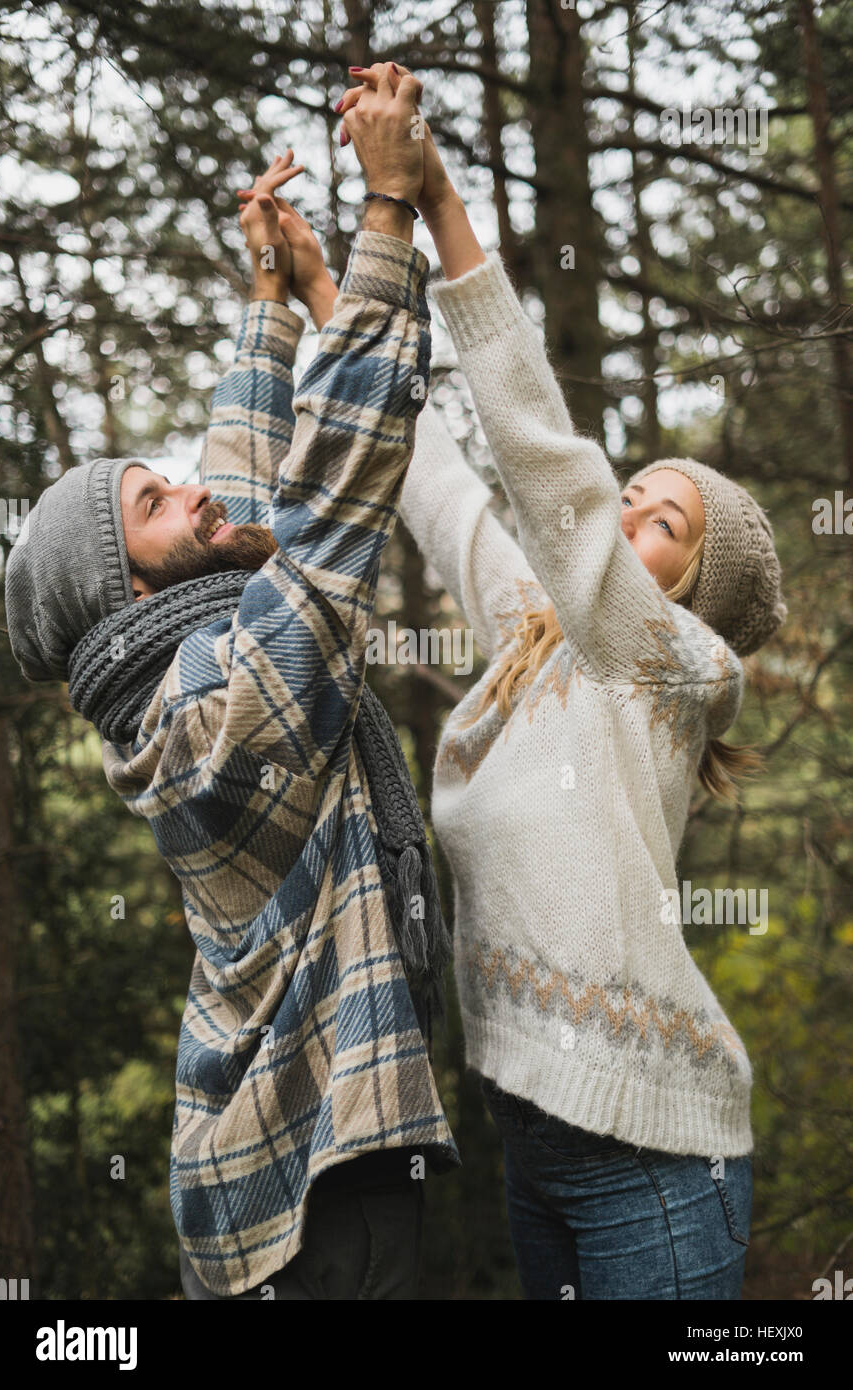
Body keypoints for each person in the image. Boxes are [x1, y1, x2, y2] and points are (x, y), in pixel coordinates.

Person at [331, 62, 787, 1300]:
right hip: (530, 1130)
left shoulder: (683, 672)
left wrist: (441, 210)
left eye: (662, 523)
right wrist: (333, 290)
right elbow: (443, 490)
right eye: (637, 488)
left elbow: (551, 478)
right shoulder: (542, 643)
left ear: (696, 593)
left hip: (655, 1151)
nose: (631, 503)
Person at [3, 69, 461, 1300]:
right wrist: (385, 208)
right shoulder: (209, 718)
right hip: (316, 1201)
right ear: (129, 595)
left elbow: (243, 495)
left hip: (293, 1183)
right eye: (153, 504)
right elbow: (326, 507)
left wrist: (270, 292)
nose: (191, 492)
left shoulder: (173, 663)